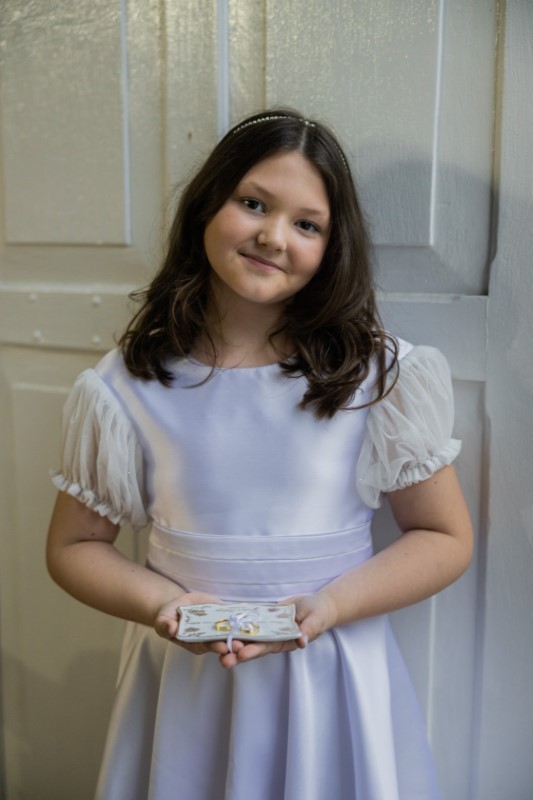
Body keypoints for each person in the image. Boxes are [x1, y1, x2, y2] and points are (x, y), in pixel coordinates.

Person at [46, 109, 473, 800]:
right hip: (188, 679)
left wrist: (330, 605)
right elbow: (74, 546)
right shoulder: (127, 382)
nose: (274, 236)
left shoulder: (374, 374)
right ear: (206, 205)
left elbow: (443, 536)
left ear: (332, 246)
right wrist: (165, 605)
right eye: (253, 204)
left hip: (331, 670)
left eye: (307, 224)